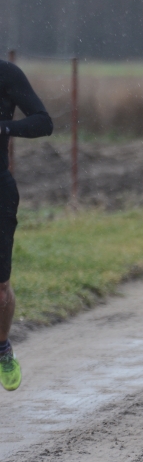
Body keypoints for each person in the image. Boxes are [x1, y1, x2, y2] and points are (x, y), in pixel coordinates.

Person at [0, 59, 53, 391]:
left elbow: (43, 122)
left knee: (0, 291)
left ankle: (2, 348)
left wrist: (4, 127)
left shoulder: (6, 74)